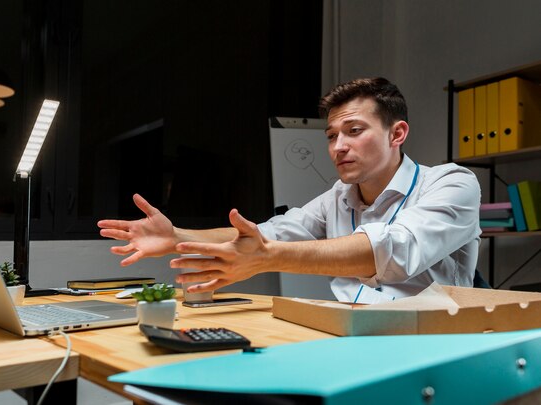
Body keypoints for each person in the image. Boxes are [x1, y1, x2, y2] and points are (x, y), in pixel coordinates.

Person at [98, 77, 481, 303]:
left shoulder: (452, 183)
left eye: (354, 131)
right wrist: (178, 236)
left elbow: (392, 251)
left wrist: (268, 257)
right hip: (352, 336)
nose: (338, 147)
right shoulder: (337, 197)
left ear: (396, 133)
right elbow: (266, 234)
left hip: (432, 344)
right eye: (331, 136)